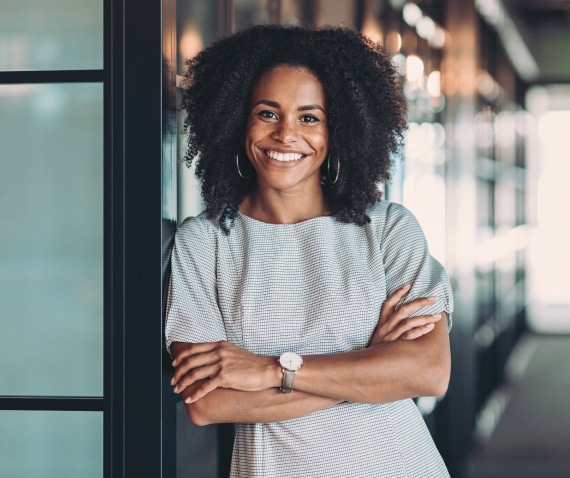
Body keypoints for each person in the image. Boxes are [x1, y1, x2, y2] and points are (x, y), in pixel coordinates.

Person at [165, 25, 454, 477]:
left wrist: (271, 371)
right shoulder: (204, 244)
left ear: (337, 129)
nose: (285, 134)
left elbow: (429, 371)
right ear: (237, 119)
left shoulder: (388, 230)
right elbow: (208, 403)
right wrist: (371, 366)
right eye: (267, 113)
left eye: (309, 117)